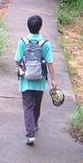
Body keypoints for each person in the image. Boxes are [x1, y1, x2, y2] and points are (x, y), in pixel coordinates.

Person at [14, 14, 57, 145]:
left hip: (26, 80)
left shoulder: (22, 42)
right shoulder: (45, 44)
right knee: (36, 106)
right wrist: (53, 79)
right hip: (39, 80)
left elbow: (16, 60)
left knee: (27, 106)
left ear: (28, 26)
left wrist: (22, 65)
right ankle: (35, 124)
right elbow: (50, 62)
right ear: (40, 27)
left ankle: (30, 134)